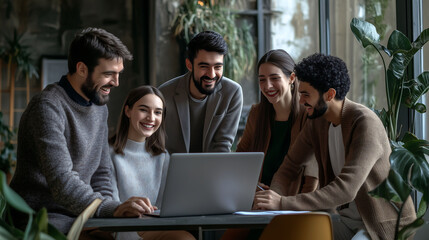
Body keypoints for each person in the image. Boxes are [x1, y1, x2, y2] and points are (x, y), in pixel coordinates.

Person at [253, 53, 416, 240]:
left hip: (382, 225)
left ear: (329, 95)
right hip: (345, 221)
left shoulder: (365, 123)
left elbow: (346, 189)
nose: (300, 101)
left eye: (306, 94)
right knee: (288, 234)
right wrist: (272, 198)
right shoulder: (317, 122)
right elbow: (289, 166)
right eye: (300, 93)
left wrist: (283, 203)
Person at [10, 28, 150, 235]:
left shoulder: (99, 108)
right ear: (82, 69)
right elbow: (62, 181)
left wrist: (112, 211)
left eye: (118, 74)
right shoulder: (47, 107)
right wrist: (111, 208)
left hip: (80, 214)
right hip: (40, 217)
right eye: (108, 74)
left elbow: (102, 174)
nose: (116, 82)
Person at [221, 50, 319, 240]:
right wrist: (254, 187)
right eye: (262, 79)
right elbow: (240, 160)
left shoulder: (308, 116)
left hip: (291, 209)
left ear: (291, 78)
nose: (267, 86)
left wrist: (291, 207)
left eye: (274, 78)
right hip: (256, 206)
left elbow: (312, 180)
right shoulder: (258, 114)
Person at [109, 86, 195, 240]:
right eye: (144, 110)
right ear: (127, 111)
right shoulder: (108, 153)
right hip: (117, 231)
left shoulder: (163, 157)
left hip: (150, 232)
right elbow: (110, 207)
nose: (151, 118)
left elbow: (163, 211)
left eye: (158, 112)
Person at [159, 30, 243, 153]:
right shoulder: (163, 94)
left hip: (213, 168)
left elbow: (223, 145)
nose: (211, 74)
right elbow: (157, 145)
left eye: (218, 67)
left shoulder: (232, 93)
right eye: (204, 66)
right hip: (172, 168)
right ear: (189, 65)